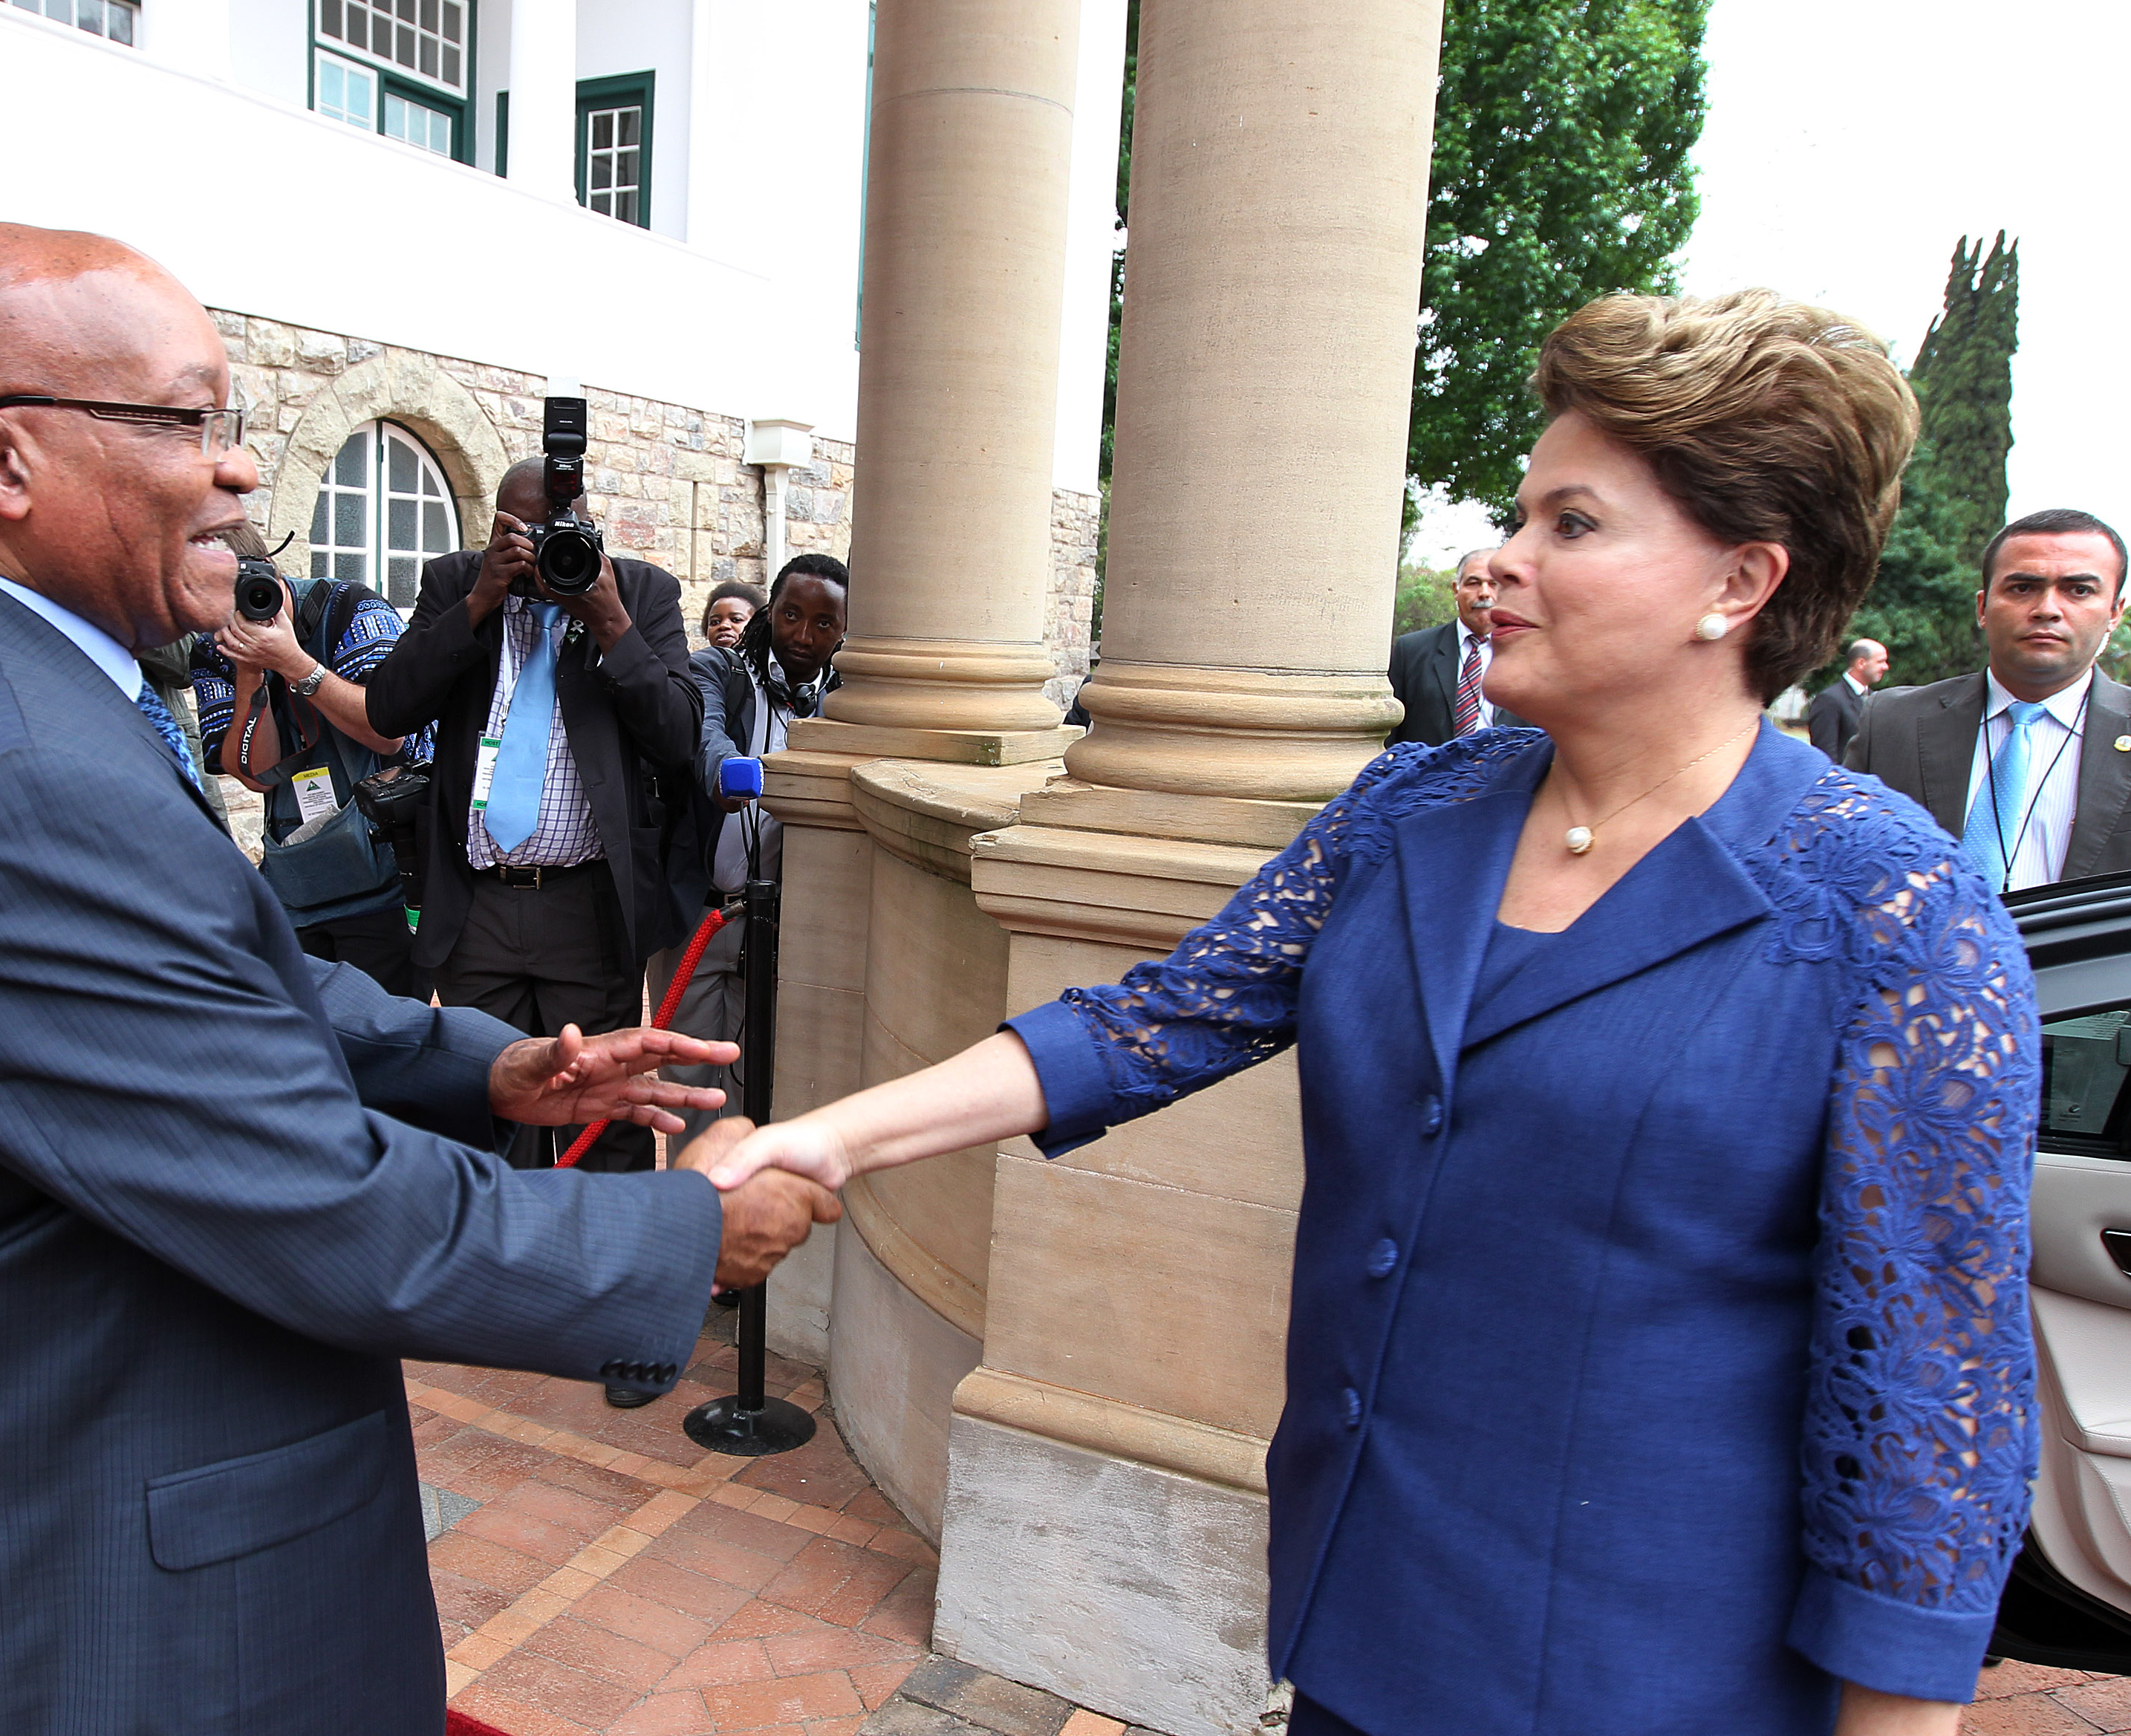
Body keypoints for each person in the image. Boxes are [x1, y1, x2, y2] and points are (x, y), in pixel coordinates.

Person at [706, 291, 2036, 1736]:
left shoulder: (1894, 917)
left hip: (1644, 1686)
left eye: (1570, 527)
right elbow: (1154, 1018)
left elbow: (1923, 1432)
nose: (1502, 563)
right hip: (1356, 1629)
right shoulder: (1414, 806)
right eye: (1518, 519)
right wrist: (825, 1136)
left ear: (1740, 581)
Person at [0, 221, 836, 1736]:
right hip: (72, 1596)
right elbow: (323, 1205)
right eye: (187, 421)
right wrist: (680, 1233)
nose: (242, 469)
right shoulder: (16, 772)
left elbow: (194, 984)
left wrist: (474, 1062)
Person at [364, 455, 701, 1177]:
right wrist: (480, 600)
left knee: (601, 1119)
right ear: (493, 530)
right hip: (476, 906)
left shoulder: (638, 594)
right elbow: (387, 708)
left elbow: (677, 738)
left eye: (556, 532)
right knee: (485, 1111)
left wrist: (608, 620)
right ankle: (504, 1277)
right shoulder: (457, 584)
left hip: (588, 909)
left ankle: (605, 1277)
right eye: (517, 531)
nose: (537, 548)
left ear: (588, 529)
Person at [650, 555, 848, 1153]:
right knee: (686, 1076)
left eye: (823, 623)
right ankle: (689, 1212)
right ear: (769, 613)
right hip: (697, 914)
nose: (803, 635)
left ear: (844, 632)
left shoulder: (845, 698)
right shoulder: (721, 669)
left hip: (777, 924)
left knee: (750, 1076)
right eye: (791, 614)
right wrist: (725, 776)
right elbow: (707, 733)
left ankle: (736, 1212)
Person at [1847, 508, 2131, 891]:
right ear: (1983, 608)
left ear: (2115, 612)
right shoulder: (1892, 723)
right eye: (2022, 588)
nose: (2047, 609)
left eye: (2078, 590)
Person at [192, 522, 419, 992]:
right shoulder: (214, 646)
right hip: (300, 882)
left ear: (269, 574)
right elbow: (255, 775)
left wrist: (295, 663)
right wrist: (250, 677)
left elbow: (388, 734)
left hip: (390, 875)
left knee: (389, 1043)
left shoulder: (352, 610)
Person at [1385, 547, 1525, 744]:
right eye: (1474, 583)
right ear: (1456, 590)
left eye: (1494, 584)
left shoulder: (1528, 654)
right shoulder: (1412, 650)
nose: (1485, 593)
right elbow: (1389, 733)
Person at [1805, 637, 1887, 761]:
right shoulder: (1829, 700)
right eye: (1880, 662)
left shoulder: (1876, 699)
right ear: (1861, 663)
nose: (1886, 667)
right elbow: (1826, 758)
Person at [700, 580, 764, 651]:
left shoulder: (771, 661)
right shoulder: (694, 661)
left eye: (736, 620)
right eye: (715, 622)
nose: (723, 626)